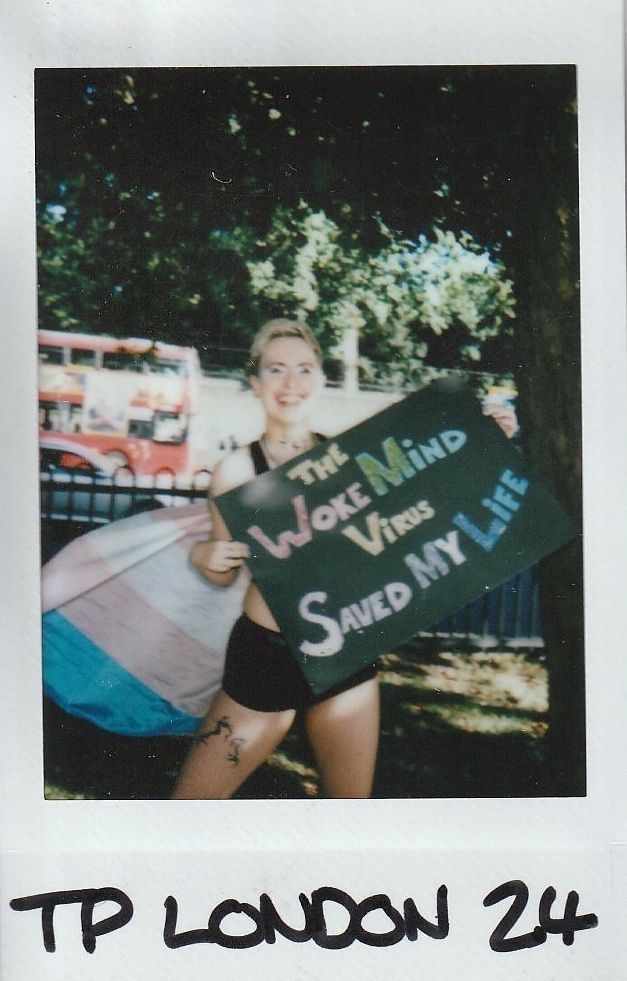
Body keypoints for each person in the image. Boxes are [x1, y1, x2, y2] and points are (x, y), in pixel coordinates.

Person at [171, 318, 518, 800]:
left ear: (320, 379)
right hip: (268, 656)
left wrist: (484, 435)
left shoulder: (352, 457)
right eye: (276, 369)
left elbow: (425, 498)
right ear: (255, 381)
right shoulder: (237, 470)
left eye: (304, 369)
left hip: (347, 651)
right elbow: (222, 573)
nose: (291, 383)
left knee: (350, 810)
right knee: (193, 804)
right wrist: (204, 556)